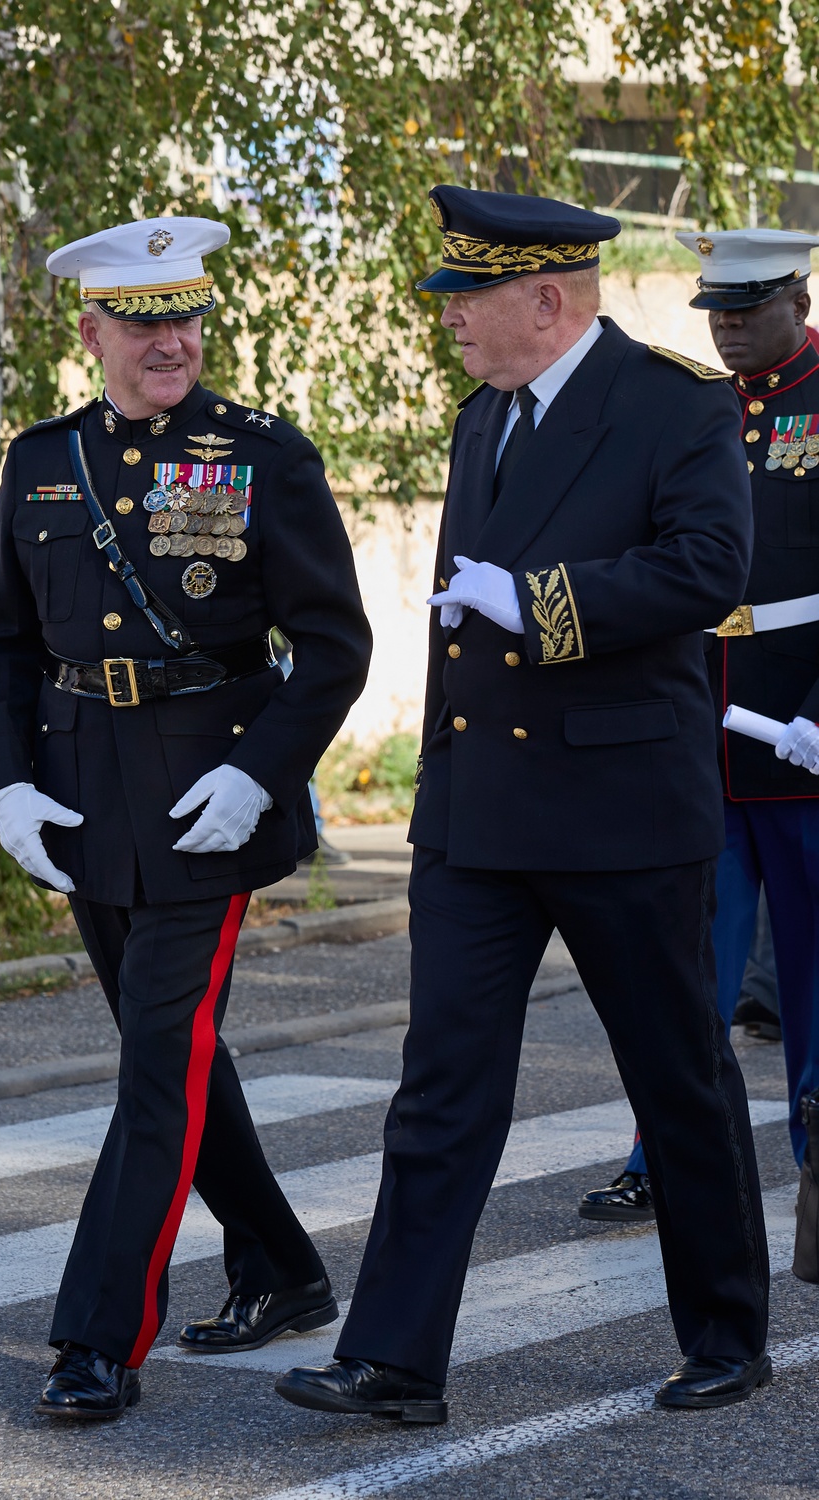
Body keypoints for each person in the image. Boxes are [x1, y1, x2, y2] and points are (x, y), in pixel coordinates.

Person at [275, 185, 771, 1422]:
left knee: (675, 1078)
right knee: (440, 1086)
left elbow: (708, 567)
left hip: (619, 810)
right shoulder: (480, 417)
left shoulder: (674, 408)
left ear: (544, 301)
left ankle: (724, 1331)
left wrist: (543, 602)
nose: (448, 320)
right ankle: (393, 1359)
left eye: (466, 299)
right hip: (480, 815)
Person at [0, 217, 371, 1419]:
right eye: (142, 323)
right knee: (175, 1054)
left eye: (185, 318)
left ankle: (98, 1339)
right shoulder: (41, 460)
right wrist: (9, 783)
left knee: (154, 1067)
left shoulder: (263, 457)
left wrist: (260, 770)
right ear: (90, 331)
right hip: (82, 792)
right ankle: (285, 1268)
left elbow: (336, 646)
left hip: (208, 798)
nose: (169, 342)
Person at [582, 229, 819, 1224]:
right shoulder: (690, 408)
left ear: (797, 296)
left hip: (801, 728)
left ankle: (816, 1153)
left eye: (746, 308)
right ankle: (666, 1151)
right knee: (679, 967)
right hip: (698, 722)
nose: (725, 327)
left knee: (809, 973)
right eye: (714, 310)